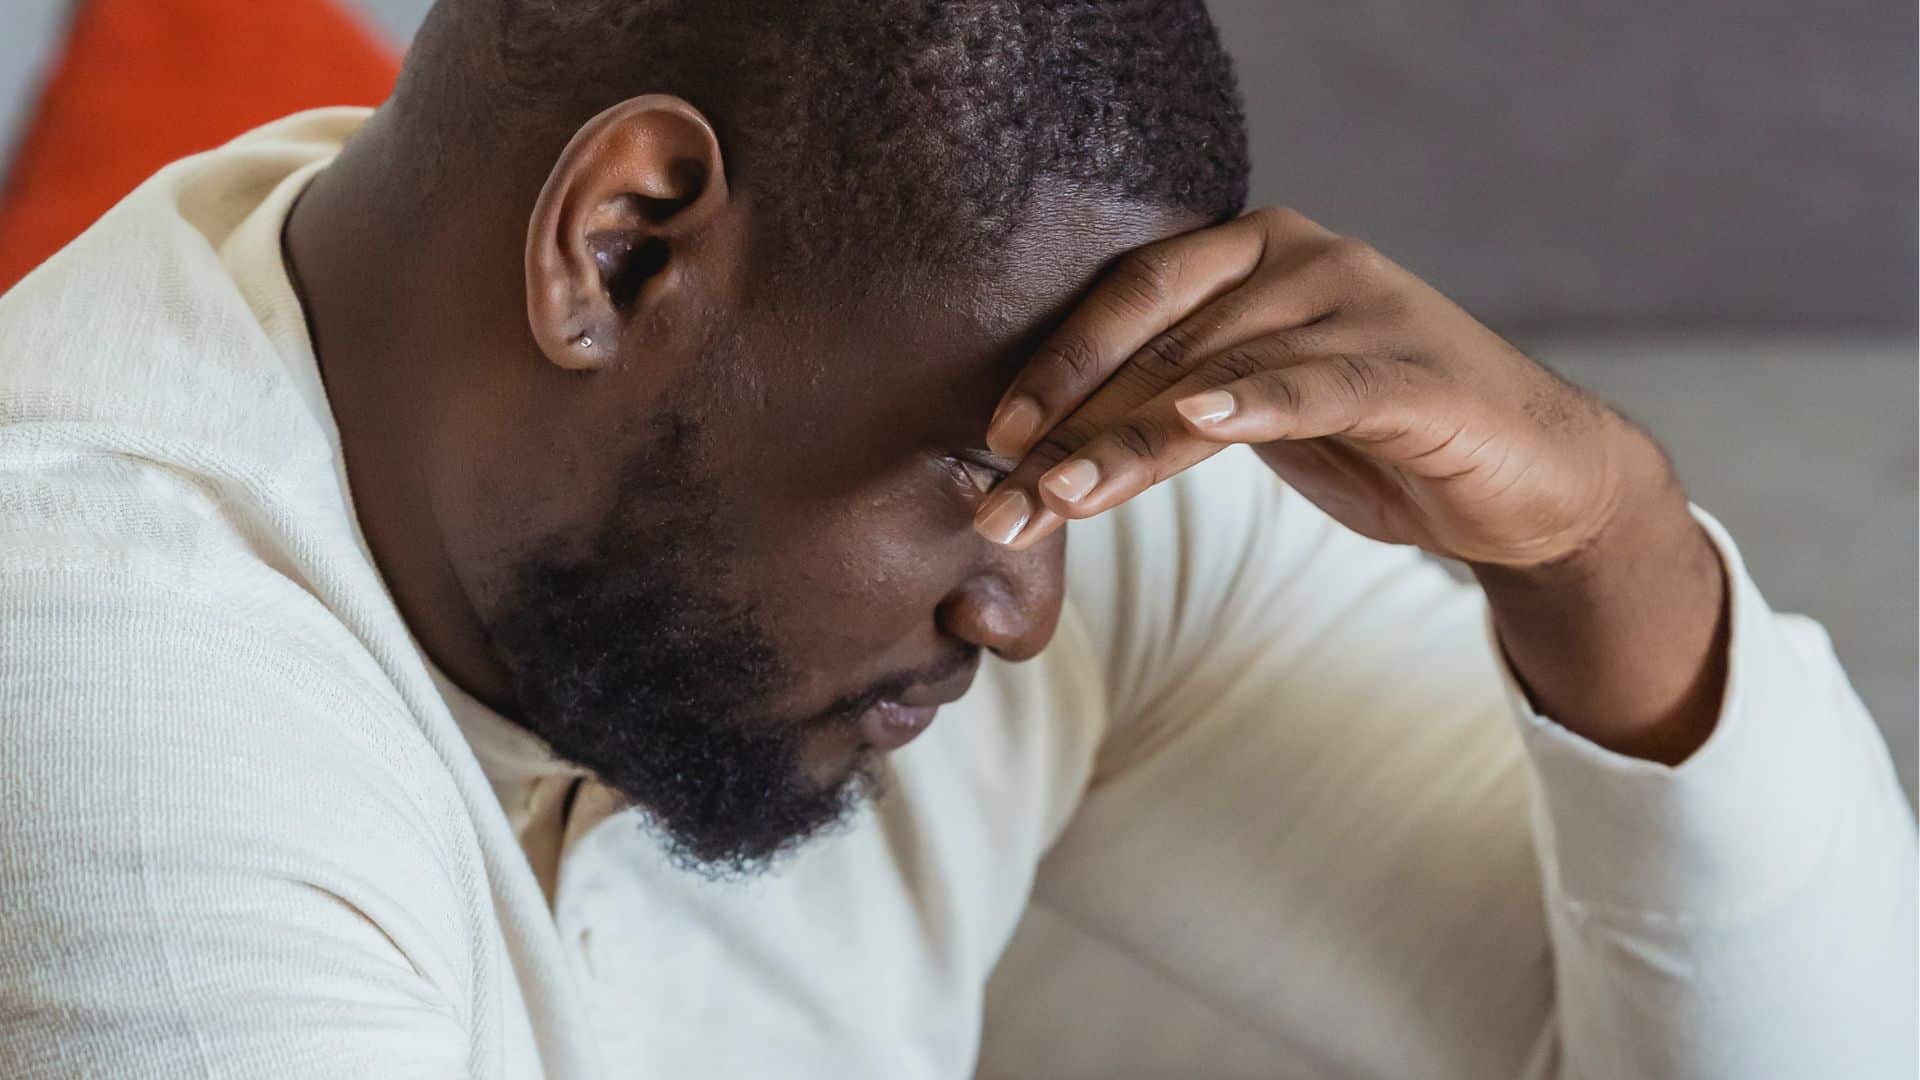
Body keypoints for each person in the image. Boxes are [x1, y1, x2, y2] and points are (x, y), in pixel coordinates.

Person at [0, 0, 1911, 1076]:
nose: (1025, 606)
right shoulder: (82, 651)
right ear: (626, 240)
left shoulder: (1038, 527)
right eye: (982, 467)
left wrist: (1599, 535)